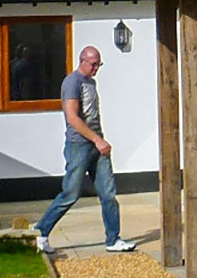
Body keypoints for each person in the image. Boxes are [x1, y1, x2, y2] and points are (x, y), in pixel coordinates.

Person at [33, 45, 134, 255]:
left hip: (97, 146)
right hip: (79, 146)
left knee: (108, 194)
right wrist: (97, 140)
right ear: (83, 61)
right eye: (94, 64)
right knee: (70, 193)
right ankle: (40, 233)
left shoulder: (91, 82)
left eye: (99, 64)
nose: (97, 68)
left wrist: (99, 141)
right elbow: (72, 117)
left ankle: (113, 239)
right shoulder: (72, 82)